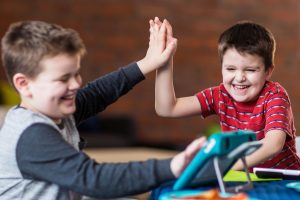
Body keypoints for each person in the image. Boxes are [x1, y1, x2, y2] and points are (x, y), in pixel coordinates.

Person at [0, 19, 207, 200]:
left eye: (76, 74)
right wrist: (173, 165)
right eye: (63, 79)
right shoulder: (32, 134)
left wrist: (148, 63)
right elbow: (94, 180)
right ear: (24, 84)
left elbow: (96, 94)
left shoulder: (55, 109)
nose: (75, 84)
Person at [154, 18, 300, 171]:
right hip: (241, 178)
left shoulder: (275, 96)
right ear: (222, 68)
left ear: (268, 71)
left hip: (283, 182)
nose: (239, 77)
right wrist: (164, 60)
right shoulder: (220, 95)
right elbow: (167, 108)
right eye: (231, 69)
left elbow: (273, 145)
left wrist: (225, 167)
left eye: (250, 70)